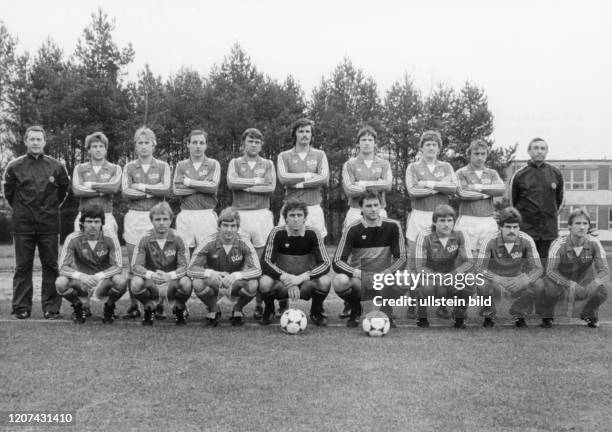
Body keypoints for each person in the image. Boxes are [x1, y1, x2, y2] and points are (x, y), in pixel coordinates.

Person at [3, 125, 70, 319]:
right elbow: (9, 195)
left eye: (38, 139)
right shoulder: (14, 166)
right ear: (25, 141)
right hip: (22, 224)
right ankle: (21, 308)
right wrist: (23, 210)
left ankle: (51, 308)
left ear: (44, 142)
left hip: (49, 223)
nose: (35, 142)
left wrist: (48, 208)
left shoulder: (56, 166)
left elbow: (63, 192)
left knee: (50, 265)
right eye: (31, 139)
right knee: (23, 266)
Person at [339, 126, 393, 319]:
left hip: (379, 210)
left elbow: (388, 185)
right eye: (363, 139)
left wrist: (362, 183)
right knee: (354, 253)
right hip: (355, 211)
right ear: (358, 143)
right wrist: (373, 183)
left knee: (382, 253)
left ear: (375, 143)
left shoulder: (384, 163)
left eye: (370, 139)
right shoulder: (350, 164)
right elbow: (349, 190)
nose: (367, 142)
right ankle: (350, 302)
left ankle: (382, 301)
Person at [332, 191, 406, 328]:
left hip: (383, 276)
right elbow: (337, 261)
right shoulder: (352, 229)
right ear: (361, 208)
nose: (373, 209)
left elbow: (401, 258)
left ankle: (386, 309)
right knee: (340, 281)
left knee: (405, 279)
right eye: (368, 206)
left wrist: (387, 272)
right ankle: (355, 308)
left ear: (381, 206)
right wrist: (359, 273)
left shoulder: (393, 226)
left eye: (376, 205)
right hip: (360, 278)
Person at [405, 130, 458, 319]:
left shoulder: (447, 166)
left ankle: (443, 304)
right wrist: (439, 185)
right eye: (427, 144)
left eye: (434, 144)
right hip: (419, 217)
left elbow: (453, 188)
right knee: (414, 262)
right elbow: (412, 191)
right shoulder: (412, 167)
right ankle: (413, 300)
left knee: (444, 261)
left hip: (442, 220)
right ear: (421, 147)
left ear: (439, 148)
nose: (431, 147)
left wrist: (427, 183)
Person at [121, 127, 172, 319]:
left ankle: (159, 304)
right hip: (134, 216)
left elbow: (166, 188)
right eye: (140, 143)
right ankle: (134, 305)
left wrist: (140, 186)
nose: (143, 146)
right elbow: (126, 192)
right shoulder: (129, 167)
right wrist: (153, 190)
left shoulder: (163, 166)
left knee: (160, 261)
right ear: (135, 146)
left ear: (154, 144)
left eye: (147, 142)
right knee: (134, 263)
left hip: (156, 218)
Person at [226, 128, 276, 320]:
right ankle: (237, 301)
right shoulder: (235, 162)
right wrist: (256, 181)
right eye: (250, 141)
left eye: (257, 142)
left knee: (263, 260)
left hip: (262, 215)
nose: (253, 144)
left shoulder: (268, 163)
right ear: (243, 143)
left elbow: (270, 187)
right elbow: (232, 183)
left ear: (261, 145)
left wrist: (245, 184)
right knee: (242, 259)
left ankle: (259, 304)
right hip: (241, 215)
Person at [259, 199, 331, 326]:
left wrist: (301, 278)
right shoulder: (277, 233)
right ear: (285, 218)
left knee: (325, 281)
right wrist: (284, 277)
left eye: (299, 215)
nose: (296, 219)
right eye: (292, 215)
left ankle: (316, 310)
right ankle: (269, 310)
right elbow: (265, 261)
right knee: (264, 282)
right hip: (283, 282)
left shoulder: (313, 233)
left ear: (305, 218)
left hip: (305, 282)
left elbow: (325, 263)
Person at [187, 208, 262, 327]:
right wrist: (210, 273)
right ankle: (213, 309)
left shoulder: (245, 242)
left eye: (233, 226)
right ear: (218, 226)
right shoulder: (208, 242)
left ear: (238, 228)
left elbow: (257, 270)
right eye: (225, 225)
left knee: (253, 284)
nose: (229, 230)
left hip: (236, 284)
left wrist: (236, 275)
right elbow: (191, 269)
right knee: (197, 283)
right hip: (214, 282)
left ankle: (237, 309)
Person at [55, 204, 126, 323]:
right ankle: (79, 305)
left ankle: (109, 306)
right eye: (89, 221)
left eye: (97, 221)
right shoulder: (72, 238)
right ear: (82, 222)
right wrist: (82, 276)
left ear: (102, 223)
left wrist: (98, 277)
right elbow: (62, 267)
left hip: (103, 282)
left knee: (121, 281)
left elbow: (118, 266)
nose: (93, 225)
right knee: (60, 282)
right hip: (82, 283)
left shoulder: (110, 237)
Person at [540, 209, 609, 328]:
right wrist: (569, 284)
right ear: (570, 226)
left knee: (602, 291)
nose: (582, 227)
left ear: (588, 226)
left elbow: (605, 270)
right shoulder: (558, 244)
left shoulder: (595, 243)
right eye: (577, 223)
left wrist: (594, 283)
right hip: (559, 282)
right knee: (550, 288)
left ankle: (587, 313)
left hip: (582, 281)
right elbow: (550, 271)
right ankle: (547, 315)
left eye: (585, 223)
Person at [475, 207, 543, 327]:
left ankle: (519, 311)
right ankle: (489, 312)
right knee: (481, 282)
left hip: (516, 278)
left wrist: (524, 280)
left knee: (539, 284)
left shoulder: (527, 240)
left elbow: (538, 268)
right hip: (495, 279)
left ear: (519, 227)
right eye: (508, 227)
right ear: (500, 227)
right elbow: (479, 267)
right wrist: (498, 279)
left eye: (515, 227)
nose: (512, 230)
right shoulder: (490, 240)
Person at [130, 202, 192, 325]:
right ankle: (149, 307)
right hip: (151, 281)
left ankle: (179, 307)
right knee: (135, 282)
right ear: (152, 221)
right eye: (157, 219)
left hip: (172, 282)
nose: (162, 222)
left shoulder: (179, 238)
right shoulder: (144, 238)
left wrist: (169, 275)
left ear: (171, 220)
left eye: (165, 219)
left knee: (186, 282)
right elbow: (135, 266)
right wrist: (151, 275)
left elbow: (185, 267)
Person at [413, 205, 473, 328]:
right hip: (429, 274)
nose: (446, 224)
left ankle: (459, 315)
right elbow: (419, 267)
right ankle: (422, 316)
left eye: (450, 220)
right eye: (442, 220)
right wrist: (438, 276)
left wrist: (453, 275)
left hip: (451, 273)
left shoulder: (460, 234)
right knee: (426, 287)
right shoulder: (424, 235)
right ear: (434, 222)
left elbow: (469, 262)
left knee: (470, 280)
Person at [509, 137, 564, 265]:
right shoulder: (519, 174)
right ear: (529, 151)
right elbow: (512, 203)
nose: (539, 151)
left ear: (547, 151)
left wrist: (550, 215)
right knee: (524, 266)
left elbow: (560, 202)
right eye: (536, 148)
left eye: (543, 148)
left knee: (546, 266)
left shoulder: (556, 173)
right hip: (526, 230)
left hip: (548, 232)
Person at [277, 118, 329, 238]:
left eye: (307, 131)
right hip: (290, 209)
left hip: (313, 208)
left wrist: (298, 184)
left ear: (312, 135)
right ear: (295, 134)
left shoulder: (320, 155)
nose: (304, 134)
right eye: (301, 131)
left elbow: (324, 178)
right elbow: (284, 178)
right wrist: (309, 175)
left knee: (316, 250)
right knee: (285, 247)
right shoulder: (284, 156)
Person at [173, 129, 221, 251]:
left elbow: (212, 187)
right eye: (194, 142)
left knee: (208, 252)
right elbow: (176, 190)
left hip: (206, 214)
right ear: (188, 144)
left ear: (206, 145)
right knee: (186, 252)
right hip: (186, 214)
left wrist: (189, 182)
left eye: (201, 143)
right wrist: (202, 186)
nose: (198, 146)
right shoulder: (181, 165)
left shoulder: (213, 164)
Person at [455, 139, 505, 253]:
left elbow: (501, 189)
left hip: (488, 220)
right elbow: (463, 193)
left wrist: (477, 187)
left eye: (483, 154)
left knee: (486, 256)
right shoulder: (461, 172)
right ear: (469, 154)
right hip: (467, 220)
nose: (480, 157)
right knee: (466, 256)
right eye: (476, 154)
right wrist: (488, 193)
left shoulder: (492, 173)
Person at [71, 132, 122, 235]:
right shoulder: (80, 168)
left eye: (101, 146)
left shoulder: (115, 168)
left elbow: (113, 188)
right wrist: (103, 191)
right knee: (82, 250)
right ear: (89, 150)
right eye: (94, 146)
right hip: (84, 217)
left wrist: (89, 185)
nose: (98, 149)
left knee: (108, 250)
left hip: (106, 216)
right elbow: (77, 190)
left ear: (106, 149)